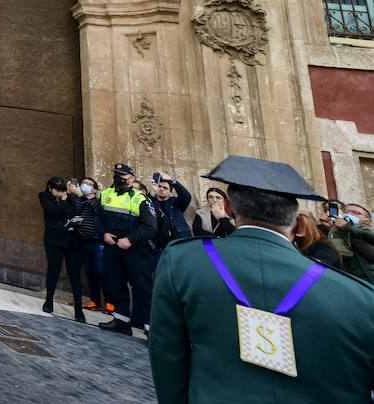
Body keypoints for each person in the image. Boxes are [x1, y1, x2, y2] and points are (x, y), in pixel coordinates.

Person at [149, 155, 374, 403]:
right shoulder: (360, 299)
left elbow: (167, 356)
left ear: (230, 210)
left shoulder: (183, 261)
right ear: (300, 225)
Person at [97, 163, 156, 335]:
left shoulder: (141, 199)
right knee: (116, 284)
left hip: (136, 250)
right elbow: (98, 219)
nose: (120, 178)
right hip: (112, 247)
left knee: (143, 288)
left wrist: (130, 239)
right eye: (117, 174)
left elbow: (150, 227)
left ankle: (151, 327)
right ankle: (121, 321)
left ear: (131, 178)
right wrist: (104, 234)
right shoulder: (106, 194)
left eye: (123, 175)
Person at [40, 177, 85, 321]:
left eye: (62, 191)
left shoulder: (70, 197)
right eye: (57, 191)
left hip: (72, 240)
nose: (60, 193)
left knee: (75, 274)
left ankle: (78, 309)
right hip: (54, 239)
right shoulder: (44, 197)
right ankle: (49, 301)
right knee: (53, 269)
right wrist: (65, 201)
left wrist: (72, 198)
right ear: (50, 188)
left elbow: (76, 211)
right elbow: (54, 211)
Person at [71, 176, 106, 311]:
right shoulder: (80, 201)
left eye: (88, 184)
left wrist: (82, 196)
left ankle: (109, 302)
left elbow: (95, 210)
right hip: (84, 241)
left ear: (95, 189)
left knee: (101, 272)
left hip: (97, 242)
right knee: (89, 273)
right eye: (83, 183)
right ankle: (94, 302)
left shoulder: (98, 202)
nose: (85, 185)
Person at [326, 201, 374, 282]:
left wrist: (347, 229)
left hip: (366, 280)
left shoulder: (366, 234)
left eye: (355, 212)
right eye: (346, 211)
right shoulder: (337, 232)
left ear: (367, 221)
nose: (349, 214)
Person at [150, 173, 194, 247]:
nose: (161, 189)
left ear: (171, 193)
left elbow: (187, 196)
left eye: (165, 188)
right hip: (161, 243)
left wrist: (172, 180)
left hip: (181, 240)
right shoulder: (151, 202)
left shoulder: (176, 203)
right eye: (159, 186)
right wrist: (153, 192)